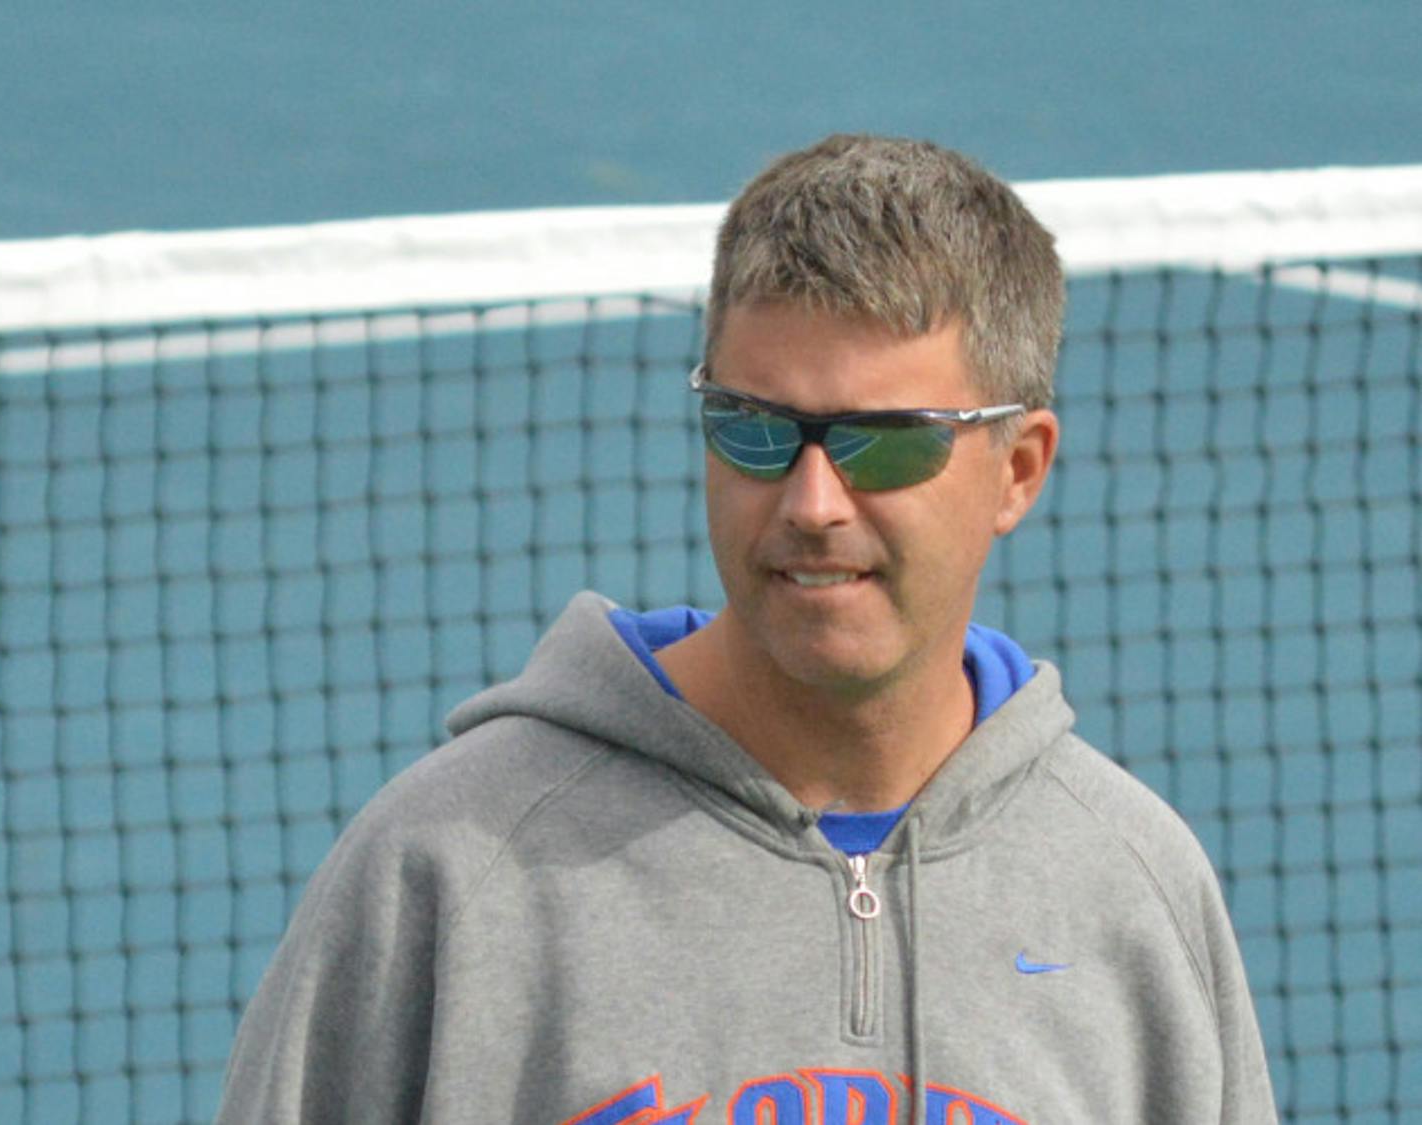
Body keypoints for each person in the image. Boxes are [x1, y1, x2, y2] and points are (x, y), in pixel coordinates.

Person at [216, 134, 1277, 1125]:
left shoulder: (1132, 885)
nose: (811, 501)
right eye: (756, 430)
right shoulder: (453, 868)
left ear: (1018, 469)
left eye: (884, 444)